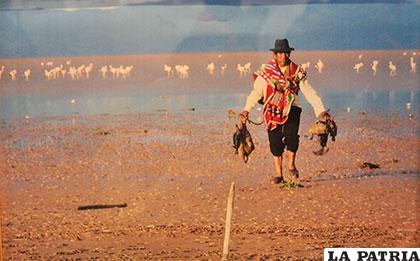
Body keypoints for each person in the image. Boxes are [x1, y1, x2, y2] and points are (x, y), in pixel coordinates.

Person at [240, 38, 330, 184]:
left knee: (291, 138)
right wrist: (246, 110)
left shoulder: (297, 72)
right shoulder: (267, 72)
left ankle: (291, 165)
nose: (283, 56)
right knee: (274, 141)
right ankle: (278, 173)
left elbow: (309, 92)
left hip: (292, 108)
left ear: (289, 54)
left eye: (286, 53)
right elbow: (256, 92)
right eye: (280, 53)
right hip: (272, 111)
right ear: (275, 55)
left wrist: (321, 111)